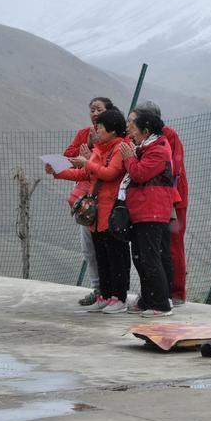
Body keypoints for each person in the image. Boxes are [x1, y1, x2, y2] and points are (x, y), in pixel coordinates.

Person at [48, 107, 131, 314]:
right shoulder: (99, 149)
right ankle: (104, 296)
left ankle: (118, 298)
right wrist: (58, 172)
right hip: (96, 211)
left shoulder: (120, 148)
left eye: (101, 127)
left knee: (115, 256)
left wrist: (88, 164)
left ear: (112, 130)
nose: (97, 131)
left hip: (112, 210)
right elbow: (85, 173)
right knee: (101, 254)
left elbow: (111, 173)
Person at [119, 110, 176, 318]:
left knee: (150, 258)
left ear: (145, 130)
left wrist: (129, 158)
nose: (129, 131)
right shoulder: (144, 147)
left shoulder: (159, 149)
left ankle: (161, 303)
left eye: (133, 126)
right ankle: (147, 299)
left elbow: (140, 173)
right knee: (140, 257)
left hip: (152, 210)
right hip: (140, 210)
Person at [134, 101, 188, 306]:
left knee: (172, 245)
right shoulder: (144, 137)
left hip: (172, 197)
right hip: (152, 198)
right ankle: (156, 291)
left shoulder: (167, 136)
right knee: (152, 248)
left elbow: (173, 168)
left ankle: (176, 292)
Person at [65, 97, 114, 306]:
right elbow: (68, 155)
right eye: (92, 109)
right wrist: (88, 147)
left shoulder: (115, 137)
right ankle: (97, 289)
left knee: (106, 247)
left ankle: (112, 292)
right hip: (86, 202)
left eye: (99, 109)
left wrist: (96, 149)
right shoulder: (84, 134)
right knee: (88, 248)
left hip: (104, 198)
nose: (94, 113)